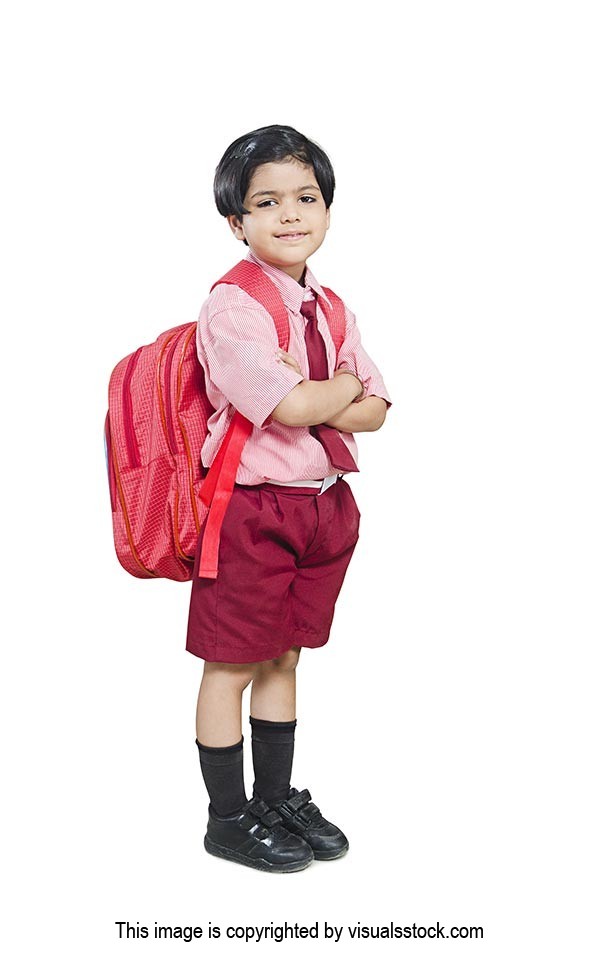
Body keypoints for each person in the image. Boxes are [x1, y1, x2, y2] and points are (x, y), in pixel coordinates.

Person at [187, 124, 391, 872]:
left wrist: (324, 391)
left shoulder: (331, 308)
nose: (291, 213)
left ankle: (274, 798)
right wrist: (334, 392)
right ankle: (228, 817)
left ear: (328, 208)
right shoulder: (233, 309)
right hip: (251, 509)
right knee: (230, 664)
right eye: (266, 201)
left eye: (306, 196)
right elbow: (292, 409)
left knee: (285, 657)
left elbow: (377, 407)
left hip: (322, 504)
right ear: (236, 221)